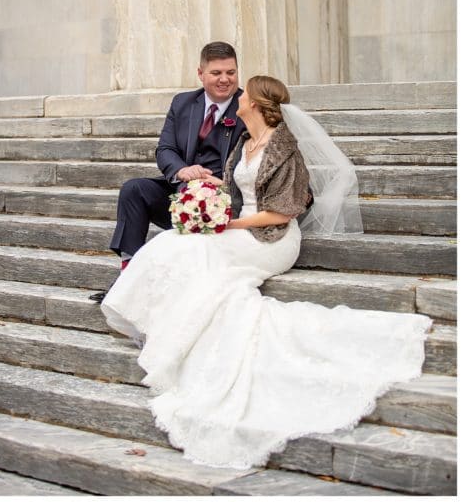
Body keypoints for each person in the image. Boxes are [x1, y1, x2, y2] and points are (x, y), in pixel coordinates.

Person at [101, 75, 431, 470]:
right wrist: (204, 201)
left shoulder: (284, 149)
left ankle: (174, 338)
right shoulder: (244, 141)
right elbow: (233, 189)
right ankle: (152, 322)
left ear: (255, 104)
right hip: (240, 227)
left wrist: (226, 225)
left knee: (196, 253)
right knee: (174, 243)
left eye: (245, 95)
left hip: (271, 239)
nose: (237, 98)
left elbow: (284, 211)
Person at [90, 42, 245, 303]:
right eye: (216, 73)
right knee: (134, 189)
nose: (224, 79)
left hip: (221, 198)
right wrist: (182, 170)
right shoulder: (183, 103)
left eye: (231, 72)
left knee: (192, 193)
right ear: (200, 73)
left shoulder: (247, 106)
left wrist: (219, 181)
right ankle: (129, 275)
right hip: (180, 192)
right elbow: (165, 149)